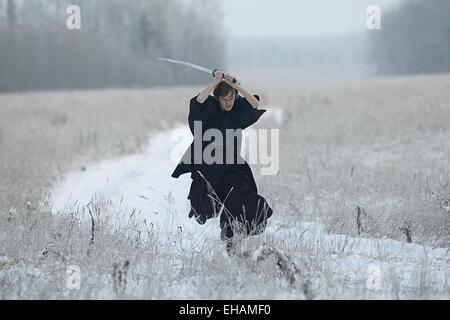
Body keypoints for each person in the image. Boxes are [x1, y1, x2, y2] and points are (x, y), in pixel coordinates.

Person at [171, 69, 273, 255]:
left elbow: (255, 103)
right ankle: (228, 234)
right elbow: (198, 101)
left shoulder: (236, 110)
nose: (228, 102)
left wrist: (236, 86)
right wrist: (216, 81)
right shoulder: (209, 108)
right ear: (217, 98)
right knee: (205, 205)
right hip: (209, 165)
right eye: (224, 99)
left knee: (243, 199)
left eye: (231, 99)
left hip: (233, 165)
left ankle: (230, 235)